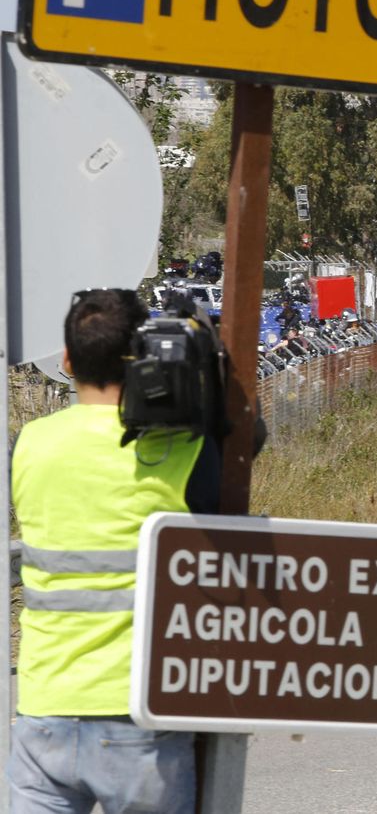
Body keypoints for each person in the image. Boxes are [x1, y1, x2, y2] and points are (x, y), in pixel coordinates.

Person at [9, 290, 221, 814]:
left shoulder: (29, 443)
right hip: (138, 713)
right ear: (142, 358)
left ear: (65, 360)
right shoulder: (179, 447)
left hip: (43, 712)